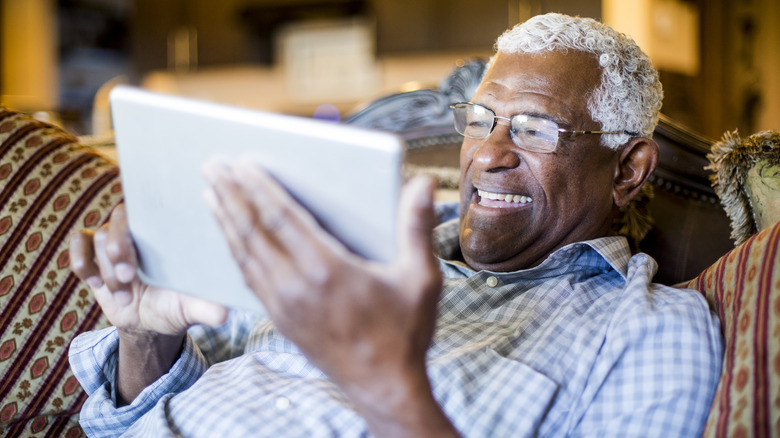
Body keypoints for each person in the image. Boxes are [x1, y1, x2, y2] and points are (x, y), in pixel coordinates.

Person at [68, 13, 723, 437]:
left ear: (629, 169)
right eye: (480, 121)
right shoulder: (339, 244)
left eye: (534, 129)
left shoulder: (651, 330)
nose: (488, 155)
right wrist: (144, 337)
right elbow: (125, 421)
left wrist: (388, 385)